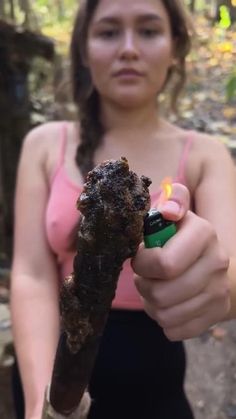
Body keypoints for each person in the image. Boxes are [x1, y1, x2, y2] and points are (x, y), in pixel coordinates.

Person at [10, 0, 236, 418]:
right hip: (54, 362)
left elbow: (230, 262)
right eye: (109, 32)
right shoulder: (44, 145)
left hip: (153, 386)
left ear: (175, 47)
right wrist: (42, 405)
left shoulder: (207, 155)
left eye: (148, 31)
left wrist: (212, 283)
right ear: (83, 49)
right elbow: (31, 274)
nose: (128, 48)